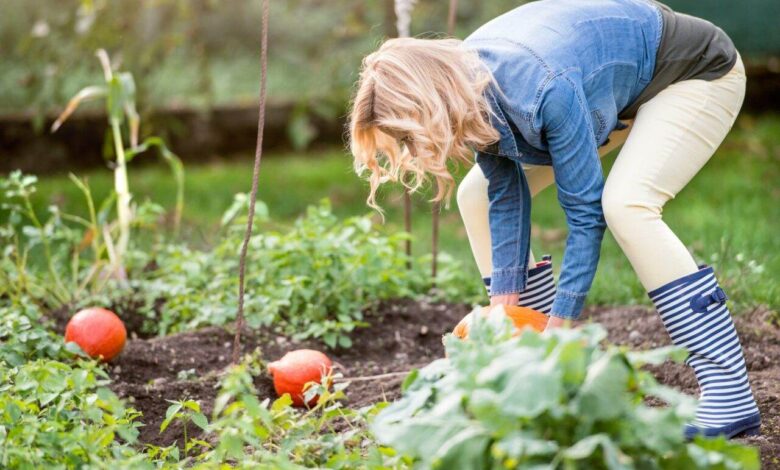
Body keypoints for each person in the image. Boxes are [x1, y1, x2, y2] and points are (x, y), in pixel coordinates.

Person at [347, 0, 759, 439]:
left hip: (693, 72)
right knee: (478, 194)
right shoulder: (466, 92)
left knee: (626, 205)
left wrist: (561, 324)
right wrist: (505, 311)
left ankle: (729, 392)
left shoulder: (540, 89)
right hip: (607, 84)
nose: (417, 149)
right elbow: (506, 195)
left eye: (411, 135)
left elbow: (584, 214)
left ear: (430, 102)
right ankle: (535, 369)